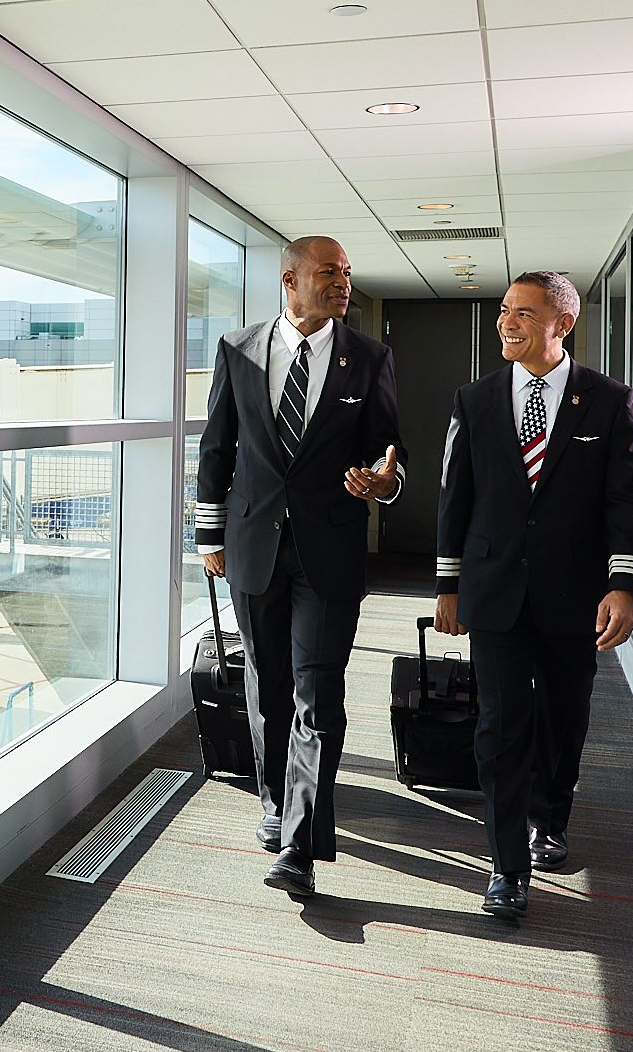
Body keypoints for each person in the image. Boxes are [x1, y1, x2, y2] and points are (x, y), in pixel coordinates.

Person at [433, 271, 633, 920]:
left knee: (562, 718)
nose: (507, 322)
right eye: (505, 310)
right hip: (495, 588)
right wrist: (449, 583)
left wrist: (624, 584)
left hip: (574, 593)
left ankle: (550, 817)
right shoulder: (473, 400)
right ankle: (507, 867)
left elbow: (630, 498)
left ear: (562, 323)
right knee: (499, 725)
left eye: (523, 313)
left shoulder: (609, 401)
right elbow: (455, 495)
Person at [195, 235, 404, 897]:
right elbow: (216, 447)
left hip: (330, 549)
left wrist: (382, 482)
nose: (343, 281)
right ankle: (272, 797)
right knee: (269, 681)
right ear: (291, 280)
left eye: (346, 271)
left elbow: (387, 452)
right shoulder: (237, 348)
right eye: (328, 272)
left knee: (318, 689)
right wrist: (208, 536)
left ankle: (300, 841)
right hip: (254, 544)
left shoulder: (369, 357)